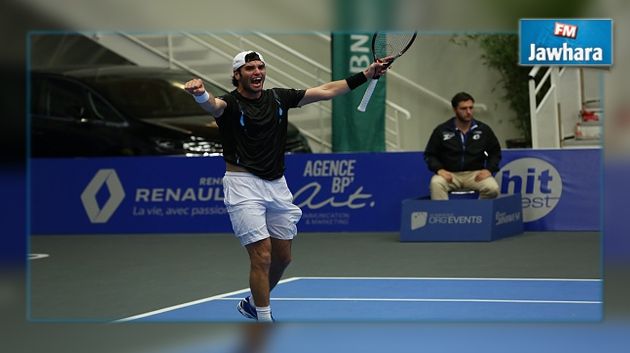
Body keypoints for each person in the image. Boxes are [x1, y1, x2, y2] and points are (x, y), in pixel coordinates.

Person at [184, 50, 392, 322]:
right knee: (262, 256)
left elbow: (327, 90)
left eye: (260, 67)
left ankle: (251, 303)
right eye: (249, 68)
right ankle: (264, 319)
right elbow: (213, 106)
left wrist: (366, 74)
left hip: (276, 184)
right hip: (243, 185)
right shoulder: (230, 103)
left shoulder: (279, 97)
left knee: (282, 259)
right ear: (237, 75)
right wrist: (199, 93)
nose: (257, 72)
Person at [423, 91, 501, 200]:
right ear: (455, 110)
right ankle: (444, 215)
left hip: (475, 174)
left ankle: (479, 214)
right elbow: (430, 154)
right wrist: (439, 170)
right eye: (464, 109)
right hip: (450, 175)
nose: (468, 112)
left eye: (471, 108)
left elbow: (495, 152)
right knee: (436, 183)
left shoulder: (483, 129)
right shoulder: (442, 130)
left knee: (492, 188)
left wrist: (489, 170)